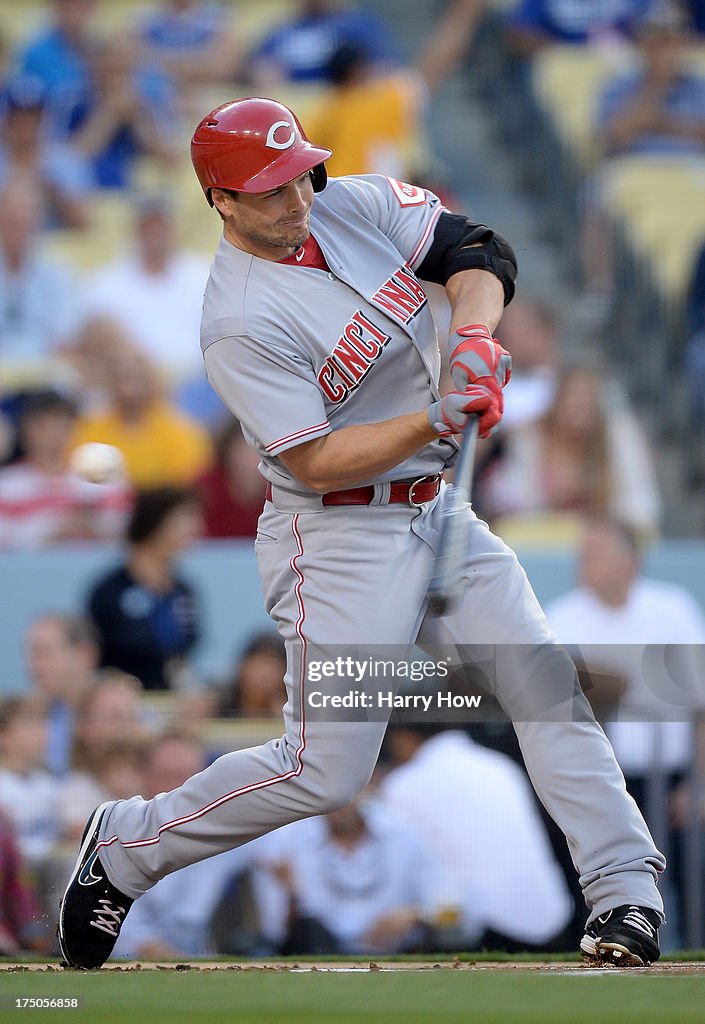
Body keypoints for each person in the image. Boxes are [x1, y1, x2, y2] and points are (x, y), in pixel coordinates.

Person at [57, 95, 666, 971]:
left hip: (434, 507)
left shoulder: (350, 201)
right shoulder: (236, 320)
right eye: (265, 189)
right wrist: (433, 416)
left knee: (543, 683)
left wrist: (477, 337)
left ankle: (624, 894)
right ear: (220, 201)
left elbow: (475, 250)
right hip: (336, 535)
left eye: (297, 173)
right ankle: (124, 848)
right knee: (325, 769)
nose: (294, 197)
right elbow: (316, 461)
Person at [544, 516, 705, 940]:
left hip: (674, 781)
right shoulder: (563, 616)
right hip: (602, 781)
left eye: (595, 553)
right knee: (599, 881)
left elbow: (701, 706)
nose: (583, 562)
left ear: (628, 560)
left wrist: (699, 784)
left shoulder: (672, 608)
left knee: (692, 886)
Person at [378, 721, 574, 950]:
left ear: (403, 738)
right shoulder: (501, 766)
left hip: (484, 932)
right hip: (556, 922)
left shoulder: (404, 783)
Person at [476, 362, 662, 538]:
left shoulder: (618, 438)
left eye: (587, 398)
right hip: (542, 542)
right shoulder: (529, 439)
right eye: (572, 397)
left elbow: (641, 509)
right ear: (557, 400)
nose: (579, 406)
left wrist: (599, 504)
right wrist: (556, 498)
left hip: (602, 539)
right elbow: (507, 503)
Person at [249, 797, 442, 955]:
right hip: (317, 957)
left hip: (396, 955)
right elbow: (275, 932)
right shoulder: (287, 841)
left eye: (344, 787)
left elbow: (450, 907)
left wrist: (414, 914)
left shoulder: (404, 835)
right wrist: (292, 897)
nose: (336, 798)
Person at [79, 194, 211, 385]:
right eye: (148, 227)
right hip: (131, 386)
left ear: (174, 229)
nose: (155, 234)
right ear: (135, 230)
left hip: (200, 382)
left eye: (161, 226)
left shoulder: (205, 275)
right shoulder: (104, 284)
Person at [85, 486, 203, 690]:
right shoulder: (109, 592)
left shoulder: (183, 591)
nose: (196, 529)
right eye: (185, 519)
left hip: (171, 701)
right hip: (118, 705)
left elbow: (184, 651)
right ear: (158, 523)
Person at [69, 337, 213, 488]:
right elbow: (78, 477)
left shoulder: (182, 430)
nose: (127, 378)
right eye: (120, 373)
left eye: (135, 371)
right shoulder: (89, 427)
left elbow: (187, 480)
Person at [0, 389, 131, 550]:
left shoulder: (104, 475)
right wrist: (54, 530)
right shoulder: (8, 484)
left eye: (60, 424)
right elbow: (4, 541)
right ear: (25, 430)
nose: (53, 433)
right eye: (43, 425)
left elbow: (127, 530)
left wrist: (93, 526)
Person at [0, 75, 93, 230]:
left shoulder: (67, 161)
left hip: (56, 249)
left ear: (45, 119)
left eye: (33, 119)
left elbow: (83, 225)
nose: (25, 128)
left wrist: (51, 190)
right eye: (18, 119)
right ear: (6, 121)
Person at [24, 613, 101, 778]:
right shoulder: (29, 717)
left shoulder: (120, 712)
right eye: (30, 653)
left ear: (84, 654)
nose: (33, 664)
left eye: (44, 652)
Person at [248, 0, 398, 85]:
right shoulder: (282, 31)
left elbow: (382, 68)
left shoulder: (359, 27)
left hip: (339, 106)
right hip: (293, 108)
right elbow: (255, 67)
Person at [197, 417, 268, 538]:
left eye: (258, 450)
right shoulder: (204, 489)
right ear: (227, 449)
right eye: (244, 448)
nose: (250, 459)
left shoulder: (288, 491)